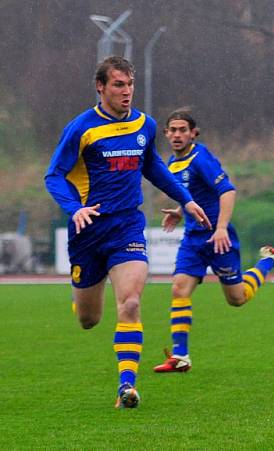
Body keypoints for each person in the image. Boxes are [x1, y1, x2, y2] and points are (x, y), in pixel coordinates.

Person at [44, 56, 211, 408]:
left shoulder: (144, 124)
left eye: (130, 84)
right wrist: (75, 210)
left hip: (127, 226)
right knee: (89, 319)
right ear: (100, 87)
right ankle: (83, 294)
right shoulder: (81, 129)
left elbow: (152, 165)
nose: (127, 91)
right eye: (118, 84)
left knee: (132, 302)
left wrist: (186, 199)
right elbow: (54, 176)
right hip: (88, 231)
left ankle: (127, 386)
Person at [152, 109, 274, 373]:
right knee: (179, 289)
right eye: (172, 130)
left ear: (193, 133)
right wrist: (180, 211)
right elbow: (195, 197)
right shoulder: (172, 164)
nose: (176, 134)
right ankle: (181, 356)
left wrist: (220, 228)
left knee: (237, 298)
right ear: (166, 133)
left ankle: (268, 260)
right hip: (194, 238)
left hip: (220, 238)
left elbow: (227, 191)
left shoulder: (200, 158)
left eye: (182, 129)